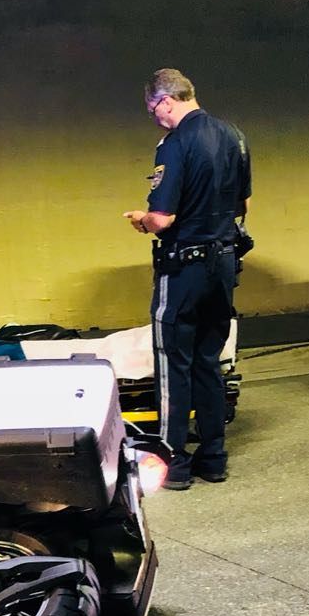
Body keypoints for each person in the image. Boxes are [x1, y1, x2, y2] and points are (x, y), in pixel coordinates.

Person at [122, 68, 251, 490]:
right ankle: (213, 457)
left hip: (184, 268)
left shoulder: (175, 144)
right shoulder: (234, 136)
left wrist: (142, 220)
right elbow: (243, 201)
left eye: (151, 109)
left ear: (164, 101)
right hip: (224, 265)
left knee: (173, 366)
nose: (153, 117)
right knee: (208, 363)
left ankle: (172, 464)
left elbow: (163, 218)